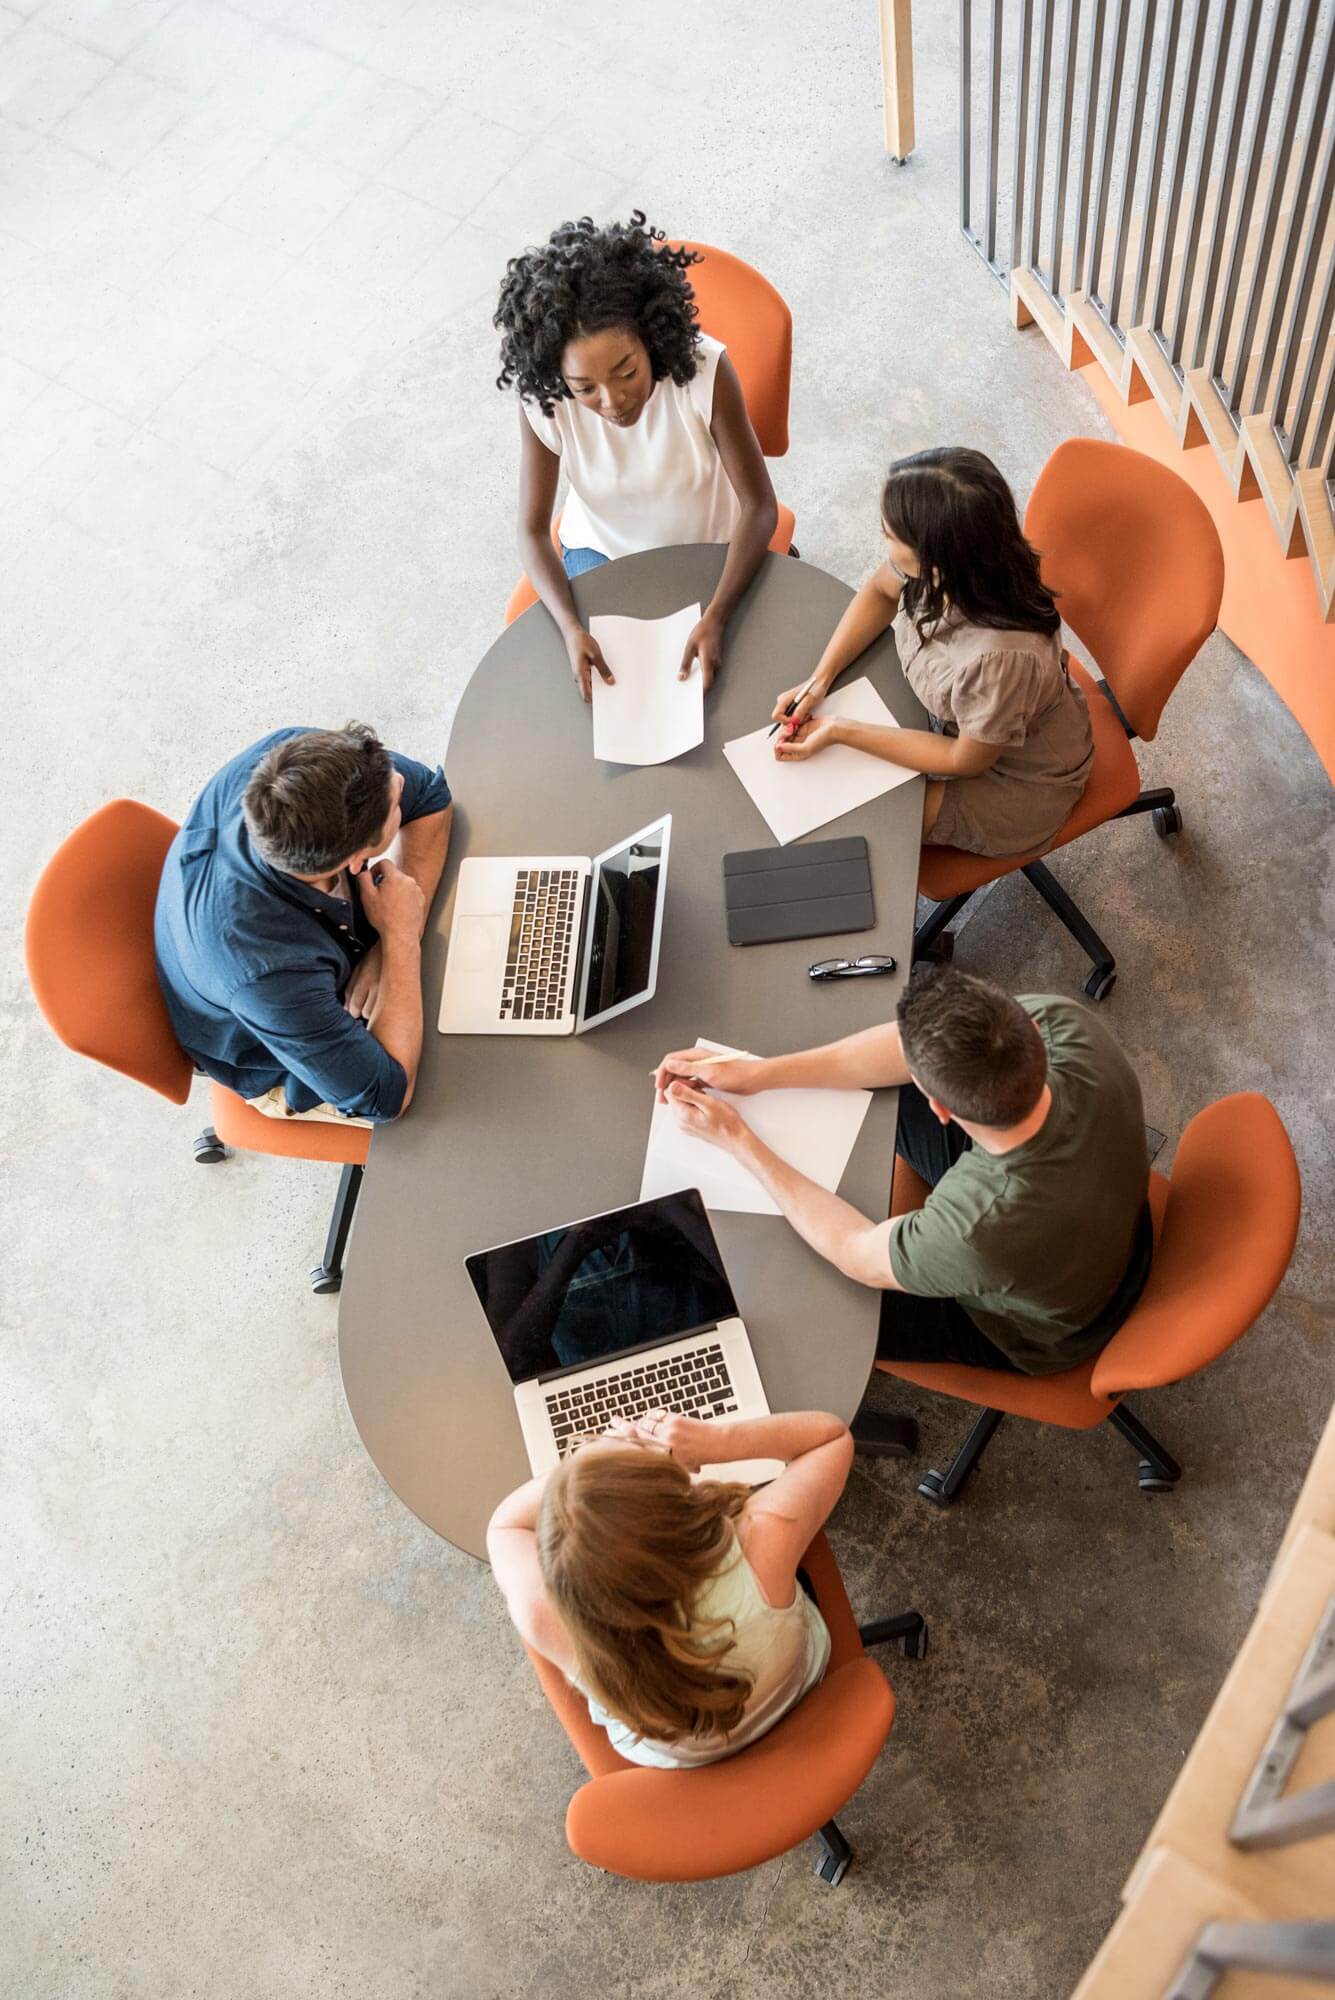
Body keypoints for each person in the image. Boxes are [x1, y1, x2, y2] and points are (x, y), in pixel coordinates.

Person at [653, 967, 1153, 1376]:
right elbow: (900, 1050)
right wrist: (759, 1075)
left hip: (1045, 1334)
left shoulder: (974, 1228)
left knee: (804, 1301)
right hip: (1113, 1220)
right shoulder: (1068, 1025)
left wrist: (737, 1139)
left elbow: (854, 1252)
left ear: (938, 1107)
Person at [495, 211, 779, 702]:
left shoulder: (703, 370)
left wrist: (716, 614)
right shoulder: (546, 403)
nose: (611, 400)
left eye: (626, 372)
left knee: (734, 694)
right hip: (603, 552)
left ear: (651, 339)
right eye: (584, 387)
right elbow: (532, 530)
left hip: (709, 547)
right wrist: (568, 626)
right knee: (611, 699)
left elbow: (760, 507)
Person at [771, 447, 1094, 858]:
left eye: (891, 535)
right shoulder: (966, 560)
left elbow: (965, 759)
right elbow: (879, 591)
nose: (885, 541)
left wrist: (840, 730)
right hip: (963, 726)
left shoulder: (1000, 660)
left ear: (938, 559)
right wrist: (820, 679)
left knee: (853, 815)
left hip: (1015, 780)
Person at [488, 1408, 850, 1768]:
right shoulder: (762, 1542)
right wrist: (717, 1443)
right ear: (682, 1505)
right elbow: (831, 1437)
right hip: (793, 1691)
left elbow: (504, 1526)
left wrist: (581, 1477)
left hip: (681, 1760)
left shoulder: (546, 1616)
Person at [155, 723, 452, 1125]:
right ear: (354, 859)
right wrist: (399, 936)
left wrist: (386, 951)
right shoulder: (265, 972)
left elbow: (432, 799)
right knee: (456, 1088)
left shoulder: (294, 766)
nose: (401, 780)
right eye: (395, 803)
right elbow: (386, 1097)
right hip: (279, 1056)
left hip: (307, 962)